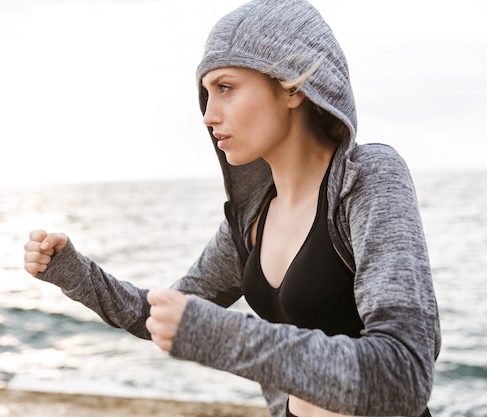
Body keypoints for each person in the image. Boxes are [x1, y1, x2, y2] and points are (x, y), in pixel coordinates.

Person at [23, 1, 441, 416]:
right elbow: (164, 313)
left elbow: (404, 375)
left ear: (292, 85)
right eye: (205, 94)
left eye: (225, 87)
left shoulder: (365, 179)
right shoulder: (252, 218)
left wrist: (221, 337)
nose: (207, 115)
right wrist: (72, 271)